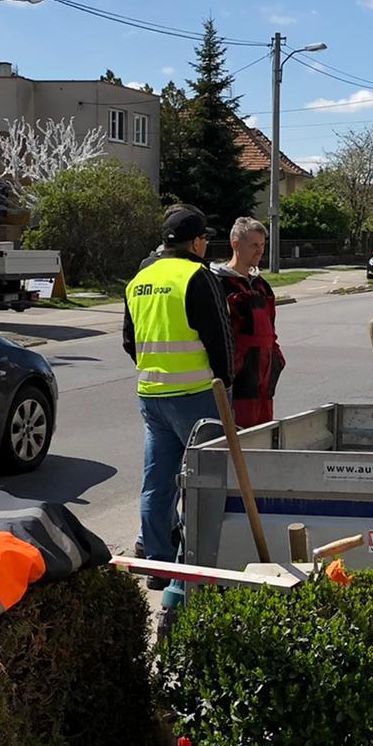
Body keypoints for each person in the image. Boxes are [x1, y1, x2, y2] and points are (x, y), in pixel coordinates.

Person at [123, 204, 234, 567]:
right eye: (205, 239)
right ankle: (196, 560)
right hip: (197, 394)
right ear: (197, 242)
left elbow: (129, 341)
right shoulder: (198, 276)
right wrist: (226, 383)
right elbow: (220, 338)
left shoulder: (139, 280)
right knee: (205, 481)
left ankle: (157, 560)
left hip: (152, 393)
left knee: (158, 481)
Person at [211, 216, 285, 428]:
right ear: (235, 245)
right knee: (238, 440)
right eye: (254, 245)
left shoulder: (262, 286)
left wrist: (276, 361)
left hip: (263, 380)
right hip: (238, 382)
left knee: (262, 439)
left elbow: (272, 330)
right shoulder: (220, 285)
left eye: (262, 245)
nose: (260, 251)